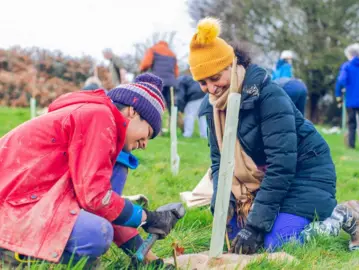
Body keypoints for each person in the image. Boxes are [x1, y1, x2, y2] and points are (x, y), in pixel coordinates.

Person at [190, 17, 359, 254]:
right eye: (202, 83)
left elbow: (282, 164)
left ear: (232, 65)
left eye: (215, 78)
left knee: (276, 245)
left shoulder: (268, 96)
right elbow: (219, 163)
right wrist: (224, 206)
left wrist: (255, 226)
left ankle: (345, 214)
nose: (211, 89)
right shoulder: (212, 108)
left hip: (305, 175)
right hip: (266, 182)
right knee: (236, 244)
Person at [0, 73, 183, 269]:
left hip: (24, 200)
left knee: (94, 237)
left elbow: (105, 207)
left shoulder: (95, 119)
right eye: (148, 132)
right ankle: (13, 252)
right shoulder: (100, 117)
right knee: (96, 234)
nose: (145, 144)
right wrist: (148, 217)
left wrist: (149, 260)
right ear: (132, 111)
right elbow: (96, 199)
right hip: (12, 205)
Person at [139, 41, 179, 114]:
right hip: (170, 83)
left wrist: (142, 69)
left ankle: (155, 121)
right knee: (171, 104)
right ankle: (173, 121)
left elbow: (146, 63)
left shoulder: (153, 49)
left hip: (157, 82)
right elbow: (176, 70)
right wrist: (174, 79)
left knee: (155, 102)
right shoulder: (172, 53)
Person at [176, 74, 208, 138]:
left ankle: (187, 134)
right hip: (203, 95)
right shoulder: (188, 77)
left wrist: (180, 109)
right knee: (201, 116)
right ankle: (204, 134)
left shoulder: (180, 80)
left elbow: (181, 95)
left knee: (190, 115)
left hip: (194, 95)